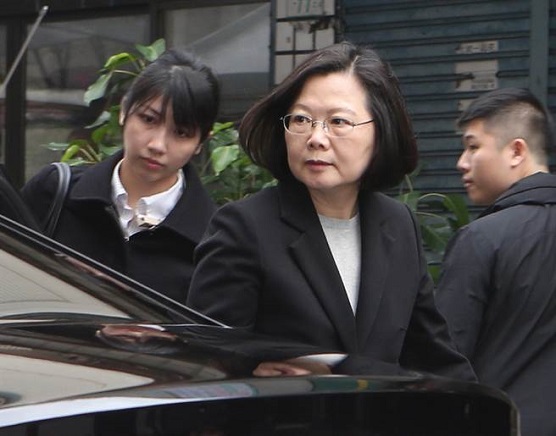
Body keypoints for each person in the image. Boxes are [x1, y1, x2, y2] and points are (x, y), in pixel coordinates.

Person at [187, 41, 475, 380]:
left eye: (338, 121)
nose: (316, 138)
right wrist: (250, 372)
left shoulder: (398, 224)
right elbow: (204, 359)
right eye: (301, 119)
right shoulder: (245, 227)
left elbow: (433, 357)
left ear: (380, 132)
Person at [21, 48, 219, 304]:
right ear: (125, 109)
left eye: (181, 133)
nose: (158, 145)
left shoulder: (213, 241)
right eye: (148, 119)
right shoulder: (55, 192)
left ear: (201, 142)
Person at [435, 87, 556, 436]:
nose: (462, 162)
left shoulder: (481, 239)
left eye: (473, 147)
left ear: (516, 150)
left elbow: (446, 362)